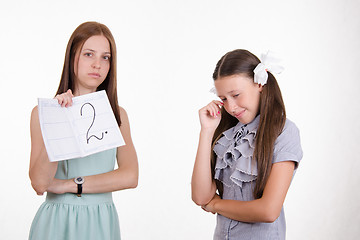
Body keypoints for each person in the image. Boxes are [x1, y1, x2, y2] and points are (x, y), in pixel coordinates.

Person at [29, 21, 138, 240]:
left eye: (105, 57)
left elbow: (130, 176)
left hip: (101, 221)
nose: (97, 64)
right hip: (56, 222)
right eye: (89, 54)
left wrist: (69, 185)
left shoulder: (118, 115)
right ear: (72, 58)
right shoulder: (43, 113)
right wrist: (60, 119)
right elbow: (40, 182)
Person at [191, 49, 302, 239]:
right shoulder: (228, 134)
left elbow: (268, 210)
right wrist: (206, 132)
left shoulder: (283, 131)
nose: (231, 107)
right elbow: (201, 197)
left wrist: (216, 205)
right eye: (224, 99)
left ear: (259, 84)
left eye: (236, 95)